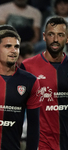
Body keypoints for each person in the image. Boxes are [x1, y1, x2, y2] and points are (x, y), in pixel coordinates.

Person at [20, 16, 68, 150]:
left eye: (61, 35)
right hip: (41, 144)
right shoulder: (28, 66)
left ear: (67, 38)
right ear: (44, 36)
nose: (56, 39)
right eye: (51, 34)